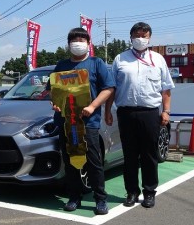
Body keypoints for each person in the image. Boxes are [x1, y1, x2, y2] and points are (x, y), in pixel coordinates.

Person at [105, 22, 175, 208]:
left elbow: (166, 88)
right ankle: (131, 192)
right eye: (137, 35)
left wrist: (166, 111)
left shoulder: (158, 59)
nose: (141, 39)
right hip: (126, 113)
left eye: (144, 35)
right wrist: (107, 111)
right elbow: (112, 88)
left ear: (150, 37)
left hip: (150, 113)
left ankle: (149, 192)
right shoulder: (120, 59)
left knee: (149, 154)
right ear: (131, 37)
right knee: (129, 155)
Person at [46, 27, 115, 215]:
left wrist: (93, 106)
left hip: (88, 122)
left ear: (88, 43)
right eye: (74, 40)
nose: (78, 43)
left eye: (82, 40)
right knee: (70, 161)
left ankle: (100, 198)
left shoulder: (96, 63)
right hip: (66, 122)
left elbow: (108, 88)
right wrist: (55, 102)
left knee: (93, 161)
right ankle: (74, 196)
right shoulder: (61, 65)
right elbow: (52, 90)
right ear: (68, 45)